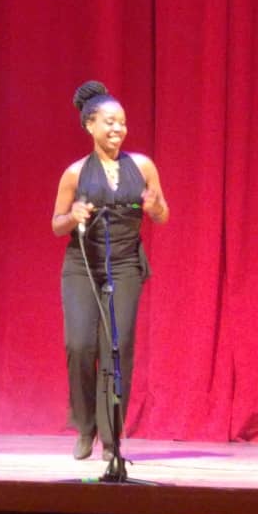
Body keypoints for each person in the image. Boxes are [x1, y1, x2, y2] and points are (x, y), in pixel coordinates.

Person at [51, 81, 169, 461]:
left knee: (116, 347)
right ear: (90, 125)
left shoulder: (143, 167)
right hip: (82, 266)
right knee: (80, 345)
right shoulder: (74, 174)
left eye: (122, 122)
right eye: (110, 122)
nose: (118, 128)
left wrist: (153, 206)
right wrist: (73, 215)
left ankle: (110, 435)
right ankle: (85, 426)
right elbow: (56, 224)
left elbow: (163, 214)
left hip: (124, 264)